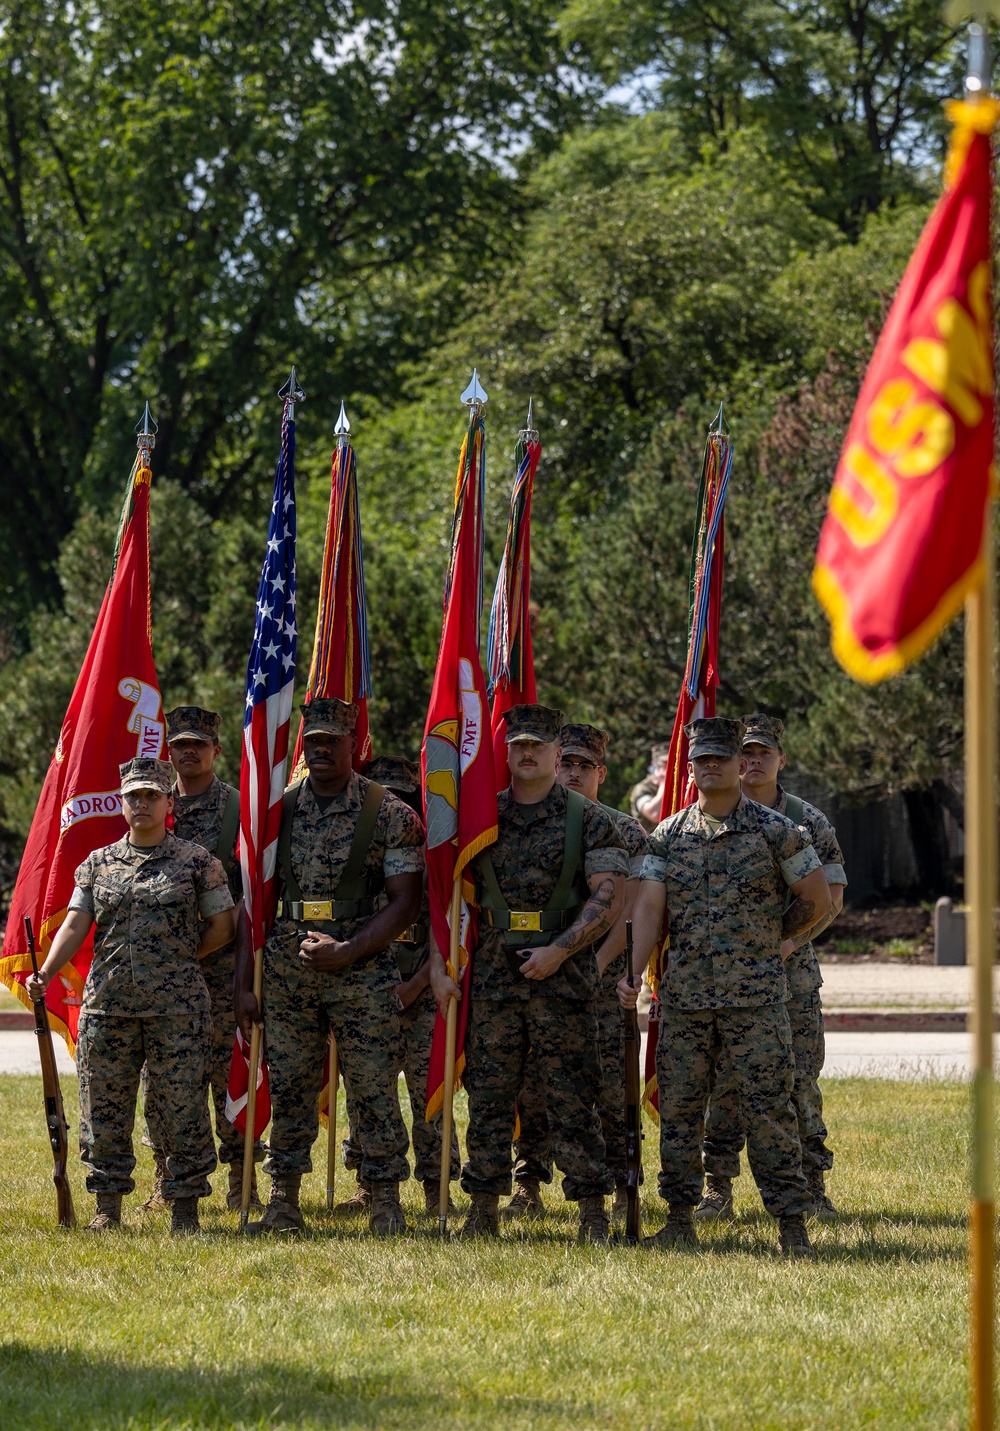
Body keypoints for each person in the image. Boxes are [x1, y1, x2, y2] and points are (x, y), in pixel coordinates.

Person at [618, 716, 832, 1258]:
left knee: (769, 1110)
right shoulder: (668, 835)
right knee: (683, 1111)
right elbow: (647, 909)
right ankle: (680, 1219)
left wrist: (770, 941)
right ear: (690, 769)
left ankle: (791, 1225)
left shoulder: (777, 830)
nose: (710, 767)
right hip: (686, 1000)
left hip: (757, 1002)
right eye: (701, 760)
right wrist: (629, 973)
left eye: (720, 758)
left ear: (741, 765)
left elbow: (816, 898)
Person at [429, 703, 627, 1244]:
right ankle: (483, 1208)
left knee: (571, 1095)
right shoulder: (480, 820)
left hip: (563, 977)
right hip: (495, 974)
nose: (529, 754)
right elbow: (441, 893)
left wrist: (560, 952)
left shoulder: (589, 819)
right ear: (507, 751)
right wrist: (437, 962)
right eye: (518, 745)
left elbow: (606, 898)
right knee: (489, 1096)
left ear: (556, 753)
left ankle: (591, 1210)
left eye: (539, 745)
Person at [235, 699, 424, 1237]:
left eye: (331, 742)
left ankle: (386, 1202)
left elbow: (404, 901)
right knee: (291, 1085)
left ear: (352, 745)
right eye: (311, 741)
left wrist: (348, 950)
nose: (320, 750)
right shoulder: (275, 812)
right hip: (287, 969)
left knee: (372, 1086)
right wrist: (245, 983)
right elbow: (255, 903)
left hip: (362, 970)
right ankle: (283, 1202)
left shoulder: (390, 814)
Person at [25, 757, 235, 1235]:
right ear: (122, 803)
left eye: (151, 796)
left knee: (180, 1106)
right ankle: (107, 1209)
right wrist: (46, 971)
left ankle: (185, 1209)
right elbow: (77, 923)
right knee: (104, 1107)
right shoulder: (98, 864)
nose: (142, 804)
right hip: (109, 1006)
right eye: (133, 796)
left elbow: (223, 928)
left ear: (169, 802)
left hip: (178, 1010)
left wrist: (177, 959)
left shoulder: (198, 862)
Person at [697, 713, 847, 1222]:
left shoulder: (808, 820)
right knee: (725, 1082)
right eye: (748, 752)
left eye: (764, 752)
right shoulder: (707, 819)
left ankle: (811, 1184)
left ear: (781, 760)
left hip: (791, 979)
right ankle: (717, 1186)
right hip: (724, 982)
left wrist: (784, 944)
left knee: (800, 1080)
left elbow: (832, 898)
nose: (755, 761)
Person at [501, 722, 648, 1222]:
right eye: (567, 763)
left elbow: (629, 908)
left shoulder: (622, 830)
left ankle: (620, 1184)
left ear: (600, 773)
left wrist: (598, 966)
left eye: (585, 766)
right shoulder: (529, 819)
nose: (573, 773)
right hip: (537, 974)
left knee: (604, 1088)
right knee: (531, 1086)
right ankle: (529, 1180)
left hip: (598, 985)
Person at [141, 705, 261, 1213]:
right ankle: (167, 1179)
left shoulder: (238, 810)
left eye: (198, 744)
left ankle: (241, 1178)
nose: (187, 752)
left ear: (216, 750)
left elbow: (251, 893)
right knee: (164, 1080)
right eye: (178, 745)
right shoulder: (150, 807)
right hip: (161, 976)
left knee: (226, 1072)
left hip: (220, 972)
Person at [335, 754, 460, 1217]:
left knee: (431, 1102)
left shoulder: (435, 861)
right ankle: (370, 1186)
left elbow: (447, 940)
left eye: (404, 797)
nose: (396, 806)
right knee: (369, 1097)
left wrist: (411, 989)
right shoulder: (357, 857)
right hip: (367, 995)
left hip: (425, 995)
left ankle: (437, 1191)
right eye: (384, 796)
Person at [629, 742, 669, 833]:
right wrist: (663, 784)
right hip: (648, 843)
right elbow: (654, 814)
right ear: (654, 764)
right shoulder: (643, 788)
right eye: (665, 762)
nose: (670, 766)